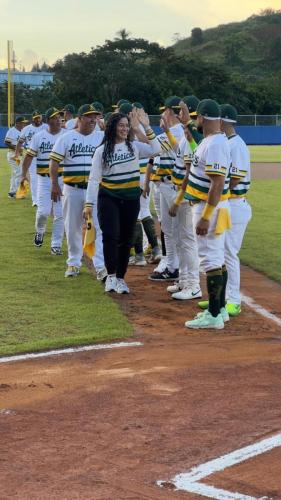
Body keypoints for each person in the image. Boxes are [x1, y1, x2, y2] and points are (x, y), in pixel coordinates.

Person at [84, 109, 161, 294]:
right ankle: (110, 276)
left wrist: (146, 126)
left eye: (127, 126)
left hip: (131, 199)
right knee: (111, 236)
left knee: (126, 239)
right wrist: (88, 205)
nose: (125, 129)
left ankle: (120, 278)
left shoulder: (133, 146)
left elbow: (157, 149)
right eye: (121, 125)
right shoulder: (102, 150)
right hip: (109, 198)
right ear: (112, 127)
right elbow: (94, 180)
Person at [184, 99, 231, 330]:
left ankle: (213, 315)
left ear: (202, 117)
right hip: (213, 207)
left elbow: (218, 182)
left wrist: (205, 216)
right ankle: (220, 309)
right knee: (218, 259)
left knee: (210, 260)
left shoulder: (214, 144)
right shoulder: (212, 140)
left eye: (196, 117)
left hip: (208, 207)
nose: (195, 121)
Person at [49, 104, 104, 277]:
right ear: (79, 119)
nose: (93, 119)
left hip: (94, 190)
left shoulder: (101, 137)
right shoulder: (66, 137)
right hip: (72, 189)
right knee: (72, 227)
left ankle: (100, 265)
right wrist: (54, 184)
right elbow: (54, 162)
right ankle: (73, 262)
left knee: (98, 227)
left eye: (95, 116)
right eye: (89, 116)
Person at [148, 96, 185, 282]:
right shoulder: (171, 131)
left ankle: (177, 267)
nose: (162, 113)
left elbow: (150, 146)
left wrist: (141, 125)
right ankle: (171, 266)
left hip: (172, 186)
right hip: (163, 184)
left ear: (171, 111)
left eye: (164, 110)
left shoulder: (178, 132)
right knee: (168, 228)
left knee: (176, 230)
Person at [220, 104, 252, 316]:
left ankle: (234, 300)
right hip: (228, 203)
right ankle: (220, 299)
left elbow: (238, 175)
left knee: (229, 253)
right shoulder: (226, 142)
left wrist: (221, 191)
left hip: (235, 204)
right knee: (220, 254)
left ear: (223, 121)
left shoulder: (236, 144)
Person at [21, 107, 65, 254]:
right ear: (48, 121)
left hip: (62, 179)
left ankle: (56, 245)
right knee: (43, 212)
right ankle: (40, 231)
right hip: (44, 180)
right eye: (55, 117)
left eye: (59, 116)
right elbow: (28, 157)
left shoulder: (67, 135)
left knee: (60, 214)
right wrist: (23, 174)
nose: (58, 119)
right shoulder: (39, 136)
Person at [15, 110, 47, 206]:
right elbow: (20, 142)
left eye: (39, 117)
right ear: (32, 119)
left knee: (44, 177)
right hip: (31, 156)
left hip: (44, 155)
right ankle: (35, 200)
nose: (38, 119)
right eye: (36, 118)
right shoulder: (26, 129)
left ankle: (43, 198)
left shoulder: (46, 127)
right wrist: (16, 153)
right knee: (33, 178)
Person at [4, 116, 29, 198]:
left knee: (16, 173)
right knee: (19, 172)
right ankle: (14, 192)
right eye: (22, 123)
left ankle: (13, 192)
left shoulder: (22, 131)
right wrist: (16, 148)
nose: (24, 124)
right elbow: (6, 142)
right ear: (18, 123)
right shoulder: (12, 131)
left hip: (19, 155)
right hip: (13, 155)